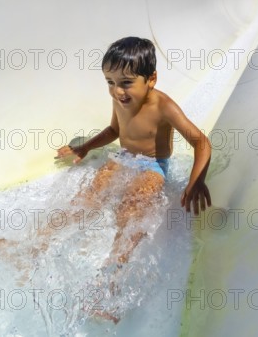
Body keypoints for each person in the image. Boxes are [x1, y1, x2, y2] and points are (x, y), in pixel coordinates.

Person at [56, 36, 212, 263]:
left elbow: (201, 142)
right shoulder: (120, 100)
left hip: (152, 166)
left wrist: (196, 180)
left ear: (151, 79)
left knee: (130, 212)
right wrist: (86, 147)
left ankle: (113, 272)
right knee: (86, 198)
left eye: (126, 82)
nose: (117, 91)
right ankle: (34, 246)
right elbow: (113, 130)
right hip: (123, 158)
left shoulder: (163, 106)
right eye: (110, 82)